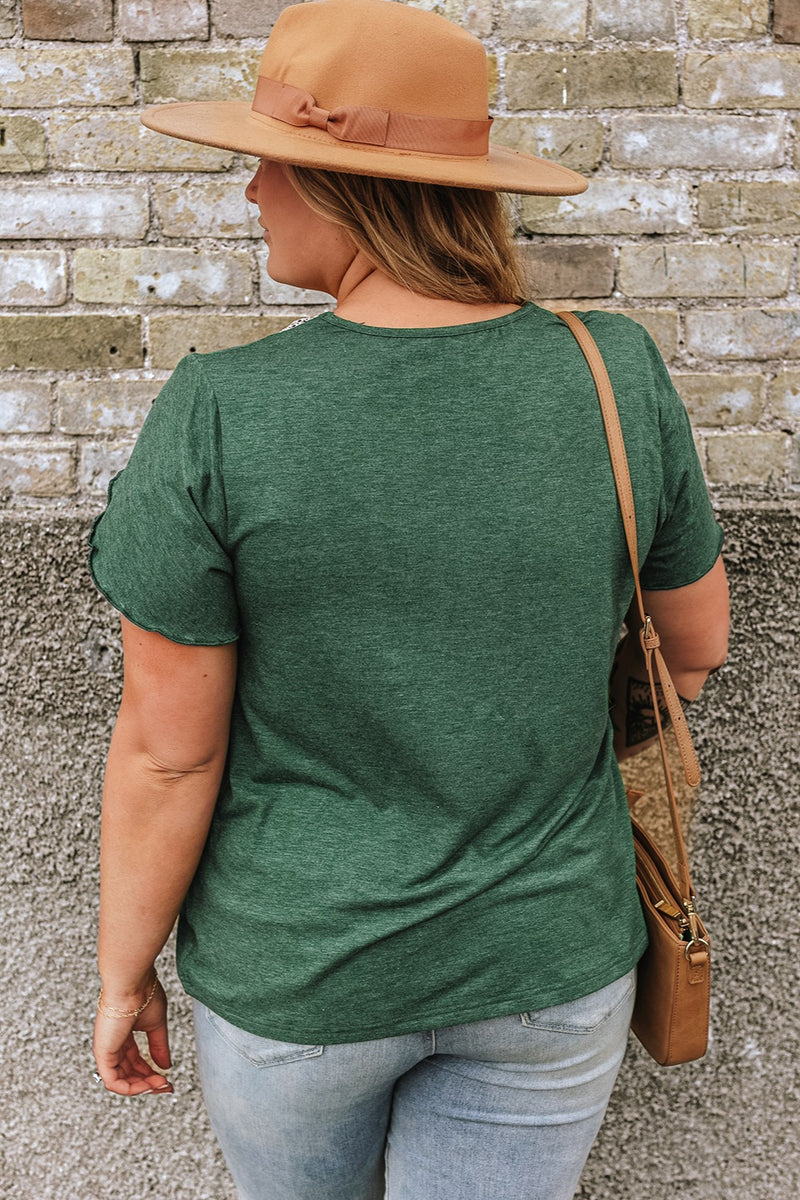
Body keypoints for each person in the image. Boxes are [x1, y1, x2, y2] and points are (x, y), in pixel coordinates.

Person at [89, 2, 729, 1197]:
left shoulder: (219, 412)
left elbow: (171, 755)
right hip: (546, 958)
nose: (251, 193)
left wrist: (124, 971)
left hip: (299, 976)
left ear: (346, 189)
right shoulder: (613, 370)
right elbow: (690, 650)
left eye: (271, 166)